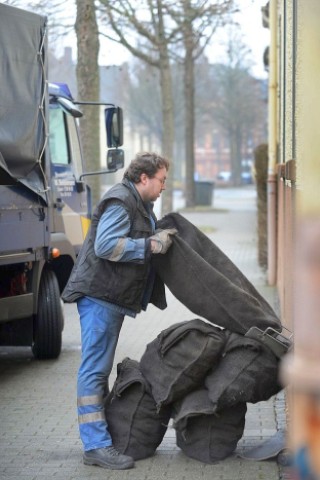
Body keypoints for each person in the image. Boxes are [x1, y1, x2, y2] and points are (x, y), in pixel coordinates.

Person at [62, 152, 177, 470]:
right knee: (94, 371)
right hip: (99, 297)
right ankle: (96, 446)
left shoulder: (139, 204)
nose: (163, 186)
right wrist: (150, 246)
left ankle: (101, 439)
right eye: (161, 180)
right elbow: (106, 245)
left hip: (109, 298)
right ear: (144, 178)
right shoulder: (121, 201)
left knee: (98, 369)